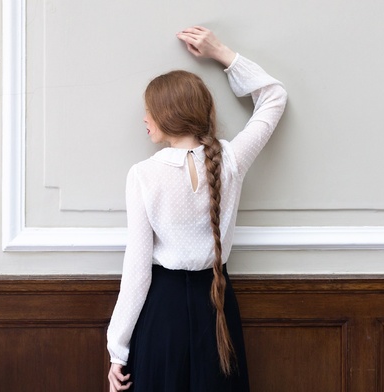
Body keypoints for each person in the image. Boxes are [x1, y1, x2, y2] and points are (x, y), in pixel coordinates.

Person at [107, 26, 288, 391]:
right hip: (218, 305)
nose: (144, 118)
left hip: (162, 312)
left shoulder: (143, 175)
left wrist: (118, 349)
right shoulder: (231, 160)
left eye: (149, 110)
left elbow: (138, 269)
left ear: (169, 114)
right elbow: (274, 95)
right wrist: (221, 52)